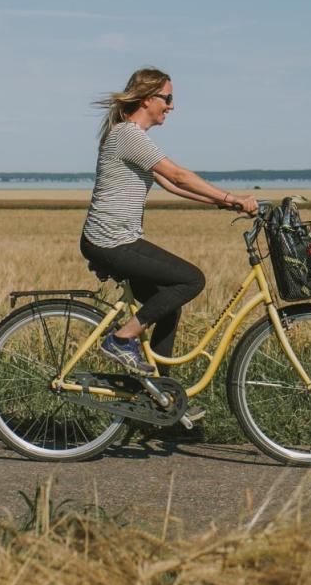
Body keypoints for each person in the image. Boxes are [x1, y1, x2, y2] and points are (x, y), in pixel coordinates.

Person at [81, 68, 260, 385]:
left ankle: (161, 394)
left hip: (113, 240)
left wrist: (226, 203)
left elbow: (172, 186)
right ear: (149, 98)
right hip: (111, 241)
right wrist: (232, 196)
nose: (172, 106)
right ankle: (121, 340)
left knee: (166, 305)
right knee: (191, 280)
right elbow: (178, 175)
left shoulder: (132, 137)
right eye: (168, 98)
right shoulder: (128, 135)